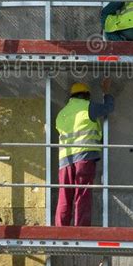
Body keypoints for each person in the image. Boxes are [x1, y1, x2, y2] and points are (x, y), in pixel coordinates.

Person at [54, 79, 114, 226]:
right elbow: (109, 108)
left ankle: (60, 229)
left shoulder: (61, 114)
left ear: (71, 97)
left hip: (64, 161)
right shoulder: (88, 107)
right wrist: (106, 91)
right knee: (82, 193)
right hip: (84, 157)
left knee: (64, 195)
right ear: (87, 96)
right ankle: (81, 228)